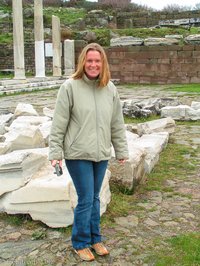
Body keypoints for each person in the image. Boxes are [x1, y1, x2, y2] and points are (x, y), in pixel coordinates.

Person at [49, 43, 128, 261]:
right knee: (86, 198)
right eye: (89, 60)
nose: (93, 64)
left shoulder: (110, 89)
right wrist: (55, 152)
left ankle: (95, 238)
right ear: (83, 62)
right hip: (77, 153)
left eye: (97, 61)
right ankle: (80, 242)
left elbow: (116, 123)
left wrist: (121, 149)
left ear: (103, 64)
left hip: (101, 153)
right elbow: (58, 123)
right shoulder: (69, 87)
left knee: (94, 197)